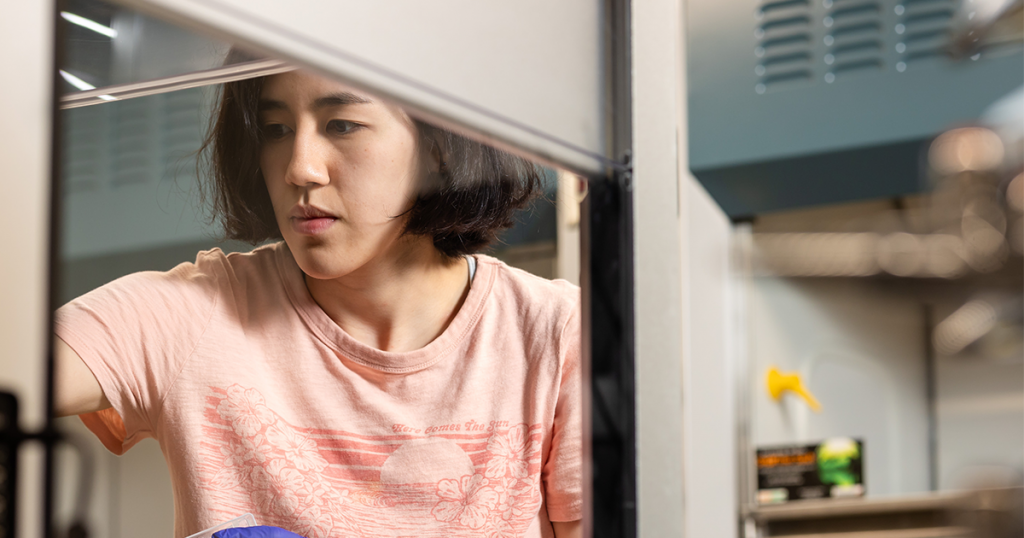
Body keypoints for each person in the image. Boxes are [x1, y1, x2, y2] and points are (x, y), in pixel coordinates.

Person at [54, 65, 582, 538]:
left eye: (342, 125)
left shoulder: (557, 333)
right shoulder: (196, 314)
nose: (299, 169)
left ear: (441, 145)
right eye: (276, 130)